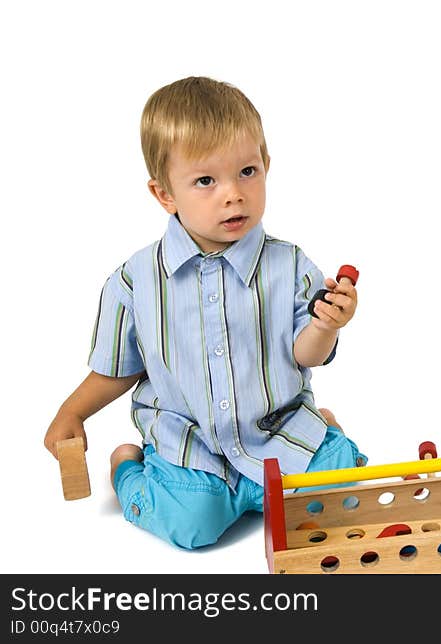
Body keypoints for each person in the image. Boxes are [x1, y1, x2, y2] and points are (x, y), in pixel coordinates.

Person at [43, 76, 366, 549]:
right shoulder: (135, 281)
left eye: (247, 172)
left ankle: (322, 432)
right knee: (191, 527)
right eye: (206, 181)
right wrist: (71, 413)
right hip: (193, 448)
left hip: (276, 433)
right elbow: (117, 370)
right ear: (165, 194)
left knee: (339, 499)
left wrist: (326, 325)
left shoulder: (291, 264)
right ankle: (128, 467)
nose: (232, 194)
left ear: (267, 165)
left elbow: (307, 355)